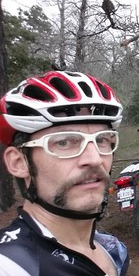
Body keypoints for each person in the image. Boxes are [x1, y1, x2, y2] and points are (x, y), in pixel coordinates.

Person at [0, 71, 129, 276]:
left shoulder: (113, 250)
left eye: (102, 139)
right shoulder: (10, 264)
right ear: (19, 162)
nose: (95, 159)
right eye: (64, 142)